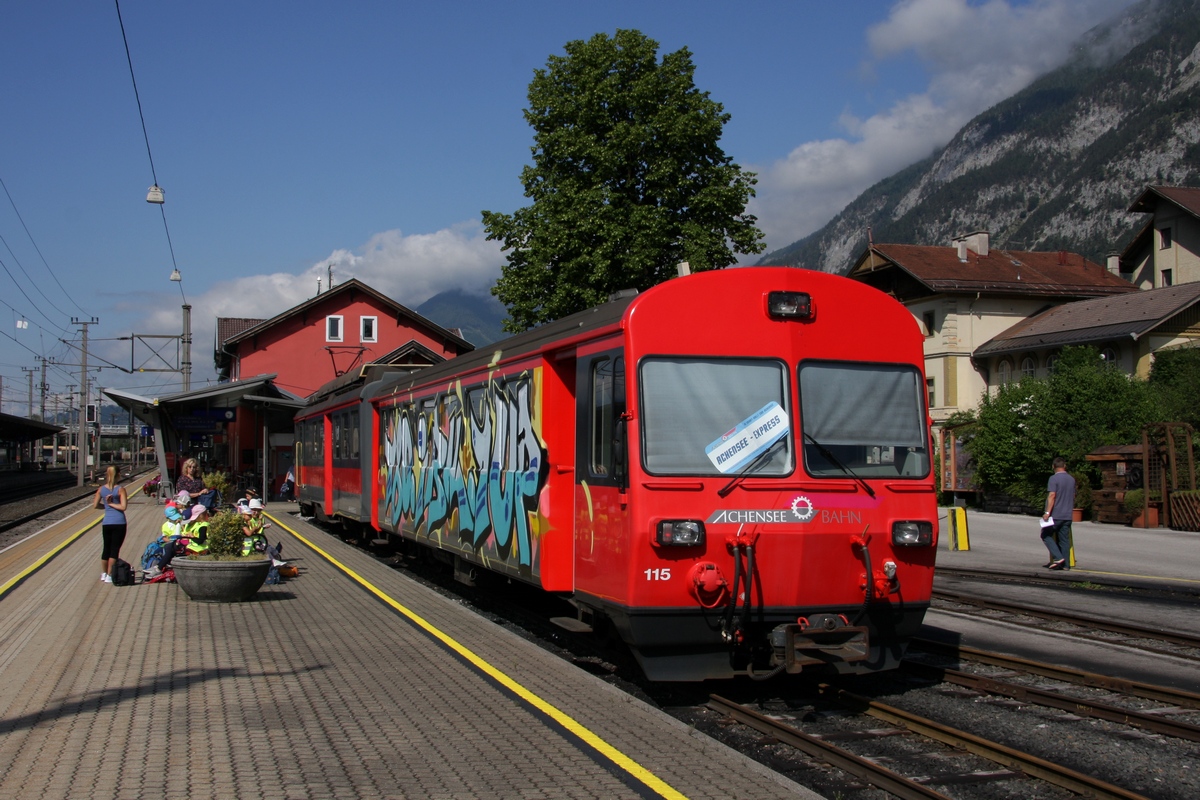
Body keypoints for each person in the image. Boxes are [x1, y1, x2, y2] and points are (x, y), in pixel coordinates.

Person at [94, 466, 128, 584]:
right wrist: (111, 504)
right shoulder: (120, 489)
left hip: (106, 522)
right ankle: (109, 574)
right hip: (119, 522)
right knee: (114, 550)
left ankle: (104, 573)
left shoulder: (101, 489)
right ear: (118, 474)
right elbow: (123, 507)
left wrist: (106, 506)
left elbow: (95, 505)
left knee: (106, 549)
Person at [1041, 457, 1076, 570]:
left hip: (1056, 514)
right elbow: (1073, 496)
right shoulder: (1071, 479)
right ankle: (1066, 565)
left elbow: (1052, 496)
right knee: (1064, 540)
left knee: (1045, 535)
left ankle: (1058, 557)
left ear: (1053, 467)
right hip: (1067, 515)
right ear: (1064, 466)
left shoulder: (1053, 479)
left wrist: (1047, 512)